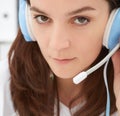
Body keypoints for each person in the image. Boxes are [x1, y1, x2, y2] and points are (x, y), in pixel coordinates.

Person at [0, 0, 120, 115]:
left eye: (81, 19)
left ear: (115, 23)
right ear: (26, 20)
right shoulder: (5, 81)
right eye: (43, 18)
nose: (57, 45)